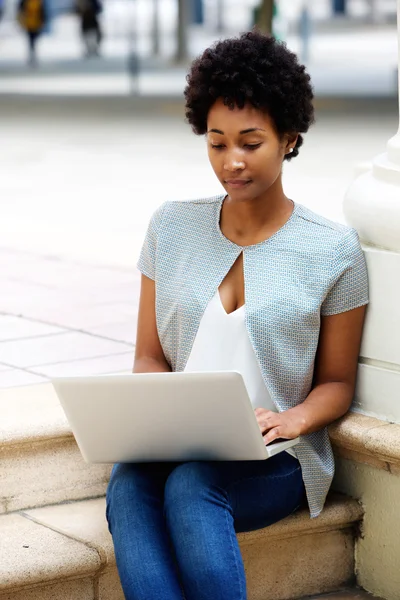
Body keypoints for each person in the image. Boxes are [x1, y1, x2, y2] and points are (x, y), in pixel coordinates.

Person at [106, 30, 369, 600]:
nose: (232, 162)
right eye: (217, 142)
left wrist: (293, 420)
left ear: (289, 138)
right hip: (181, 440)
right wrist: (153, 413)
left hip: (277, 458)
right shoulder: (171, 227)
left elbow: (338, 382)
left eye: (251, 142)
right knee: (129, 484)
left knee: (193, 486)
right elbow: (150, 357)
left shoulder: (332, 249)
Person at [17, 0, 48, 66]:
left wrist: (43, 22)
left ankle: (33, 55)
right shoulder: (25, 2)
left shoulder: (38, 2)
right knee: (31, 41)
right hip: (28, 24)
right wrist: (21, 21)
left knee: (34, 40)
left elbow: (43, 12)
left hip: (37, 24)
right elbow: (21, 11)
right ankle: (32, 56)